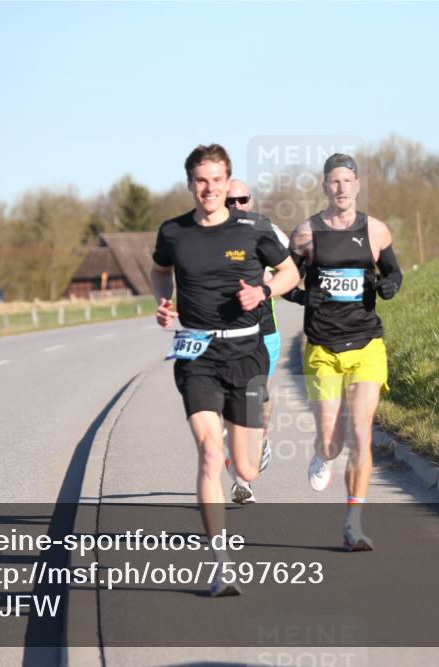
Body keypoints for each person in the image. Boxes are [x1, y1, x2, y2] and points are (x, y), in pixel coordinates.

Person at [151, 144, 299, 595]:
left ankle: (256, 446)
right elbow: (159, 271)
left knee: (247, 471)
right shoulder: (173, 232)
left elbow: (290, 271)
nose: (209, 188)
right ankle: (220, 565)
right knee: (210, 455)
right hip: (196, 352)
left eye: (217, 179)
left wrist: (265, 291)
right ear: (190, 183)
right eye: (200, 179)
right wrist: (162, 301)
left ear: (227, 179)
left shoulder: (253, 229)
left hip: (246, 352)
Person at [285, 153, 402, 551]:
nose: (341, 188)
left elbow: (394, 272)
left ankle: (353, 523)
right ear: (324, 187)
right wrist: (305, 296)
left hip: (367, 344)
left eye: (347, 180)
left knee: (360, 432)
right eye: (333, 181)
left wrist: (390, 287)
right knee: (331, 441)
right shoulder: (306, 233)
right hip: (323, 348)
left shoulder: (376, 231)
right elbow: (282, 280)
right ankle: (322, 455)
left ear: (357, 185)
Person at [225, 179, 290, 504]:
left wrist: (269, 283)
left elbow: (291, 270)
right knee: (228, 405)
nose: (236, 205)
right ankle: (242, 473)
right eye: (230, 199)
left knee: (257, 395)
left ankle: (256, 447)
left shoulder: (267, 229)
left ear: (250, 201)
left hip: (263, 330)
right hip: (221, 333)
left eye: (242, 199)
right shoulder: (208, 232)